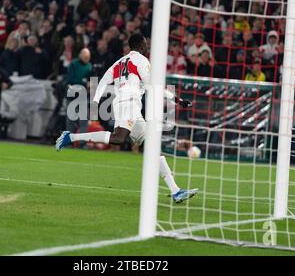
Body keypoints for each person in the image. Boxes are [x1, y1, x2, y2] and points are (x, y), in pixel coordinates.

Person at [56, 33, 198, 204]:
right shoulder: (142, 61)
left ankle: (175, 191)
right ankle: (70, 137)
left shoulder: (119, 62)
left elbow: (102, 82)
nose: (147, 47)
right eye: (145, 44)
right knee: (118, 138)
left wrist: (94, 101)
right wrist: (176, 99)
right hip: (128, 104)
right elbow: (152, 85)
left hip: (130, 107)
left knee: (151, 148)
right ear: (140, 45)